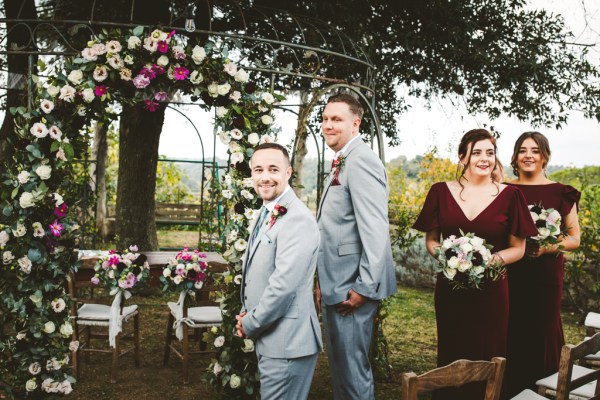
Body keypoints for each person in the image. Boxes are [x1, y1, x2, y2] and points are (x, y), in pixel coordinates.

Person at [412, 128, 538, 400]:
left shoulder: (511, 195)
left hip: (491, 292)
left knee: (488, 356)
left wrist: (490, 260)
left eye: (490, 153)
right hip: (451, 290)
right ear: (462, 157)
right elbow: (431, 241)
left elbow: (519, 248)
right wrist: (450, 256)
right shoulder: (440, 192)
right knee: (451, 353)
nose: (485, 159)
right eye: (477, 152)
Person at [316, 93, 396, 400]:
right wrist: (322, 278)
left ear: (356, 123)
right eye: (324, 119)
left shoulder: (362, 161)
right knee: (341, 370)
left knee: (352, 373)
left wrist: (364, 287)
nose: (328, 125)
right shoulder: (344, 159)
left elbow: (374, 229)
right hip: (337, 281)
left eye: (336, 119)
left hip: (353, 287)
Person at [235, 142, 322, 400]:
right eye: (258, 169)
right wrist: (246, 311)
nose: (265, 177)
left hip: (288, 342)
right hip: (274, 338)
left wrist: (250, 323)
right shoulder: (267, 212)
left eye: (273, 169)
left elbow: (283, 287)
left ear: (288, 172)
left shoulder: (297, 219)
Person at [505, 131, 581, 397]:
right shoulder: (505, 190)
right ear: (515, 156)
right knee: (510, 327)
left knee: (541, 330)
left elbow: (574, 238)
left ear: (545, 156)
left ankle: (544, 389)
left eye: (535, 150)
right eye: (523, 150)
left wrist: (547, 247)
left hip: (545, 277)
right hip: (511, 273)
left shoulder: (562, 192)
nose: (528, 155)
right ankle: (509, 390)